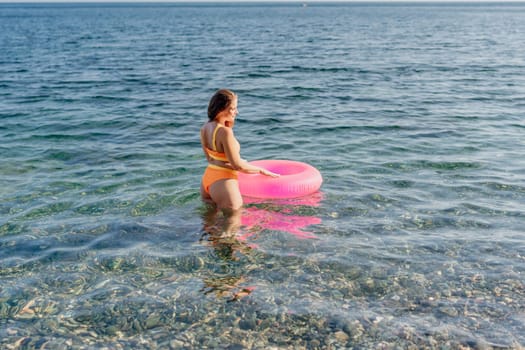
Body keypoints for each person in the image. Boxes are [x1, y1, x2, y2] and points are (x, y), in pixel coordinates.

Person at [200, 89, 278, 212]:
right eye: (233, 108)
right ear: (222, 109)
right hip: (224, 182)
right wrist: (261, 170)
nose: (237, 111)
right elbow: (237, 166)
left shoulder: (205, 128)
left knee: (209, 228)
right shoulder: (225, 132)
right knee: (232, 228)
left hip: (208, 180)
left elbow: (211, 159)